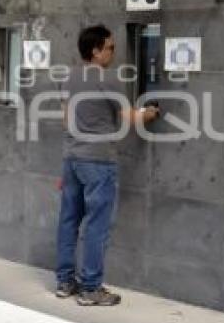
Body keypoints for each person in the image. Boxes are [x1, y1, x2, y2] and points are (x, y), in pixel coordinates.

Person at [55, 25, 160, 306]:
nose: (114, 52)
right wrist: (149, 113)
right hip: (99, 162)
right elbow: (130, 117)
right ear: (95, 50)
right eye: (111, 48)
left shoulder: (69, 77)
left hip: (72, 159)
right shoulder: (109, 80)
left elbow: (66, 120)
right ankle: (91, 289)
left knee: (68, 221)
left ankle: (65, 282)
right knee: (96, 226)